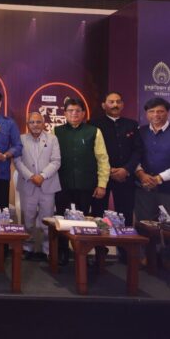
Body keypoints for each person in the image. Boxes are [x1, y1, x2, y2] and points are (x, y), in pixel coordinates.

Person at [54, 98, 110, 266]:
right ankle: (62, 252)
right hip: (62, 185)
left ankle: (82, 254)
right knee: (61, 219)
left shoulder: (94, 131)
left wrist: (102, 184)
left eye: (78, 110)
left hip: (86, 185)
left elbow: (102, 159)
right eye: (70, 110)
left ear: (83, 113)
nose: (74, 114)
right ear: (65, 113)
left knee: (84, 221)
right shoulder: (56, 131)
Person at [14, 112, 61, 260]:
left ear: (43, 123)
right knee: (28, 220)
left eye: (38, 122)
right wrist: (31, 176)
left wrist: (42, 175)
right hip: (28, 185)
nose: (35, 125)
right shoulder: (21, 139)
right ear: (27, 124)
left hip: (48, 185)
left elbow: (56, 161)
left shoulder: (52, 139)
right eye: (32, 122)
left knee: (47, 220)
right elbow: (17, 161)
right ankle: (27, 248)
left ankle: (47, 250)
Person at [90, 92, 142, 224]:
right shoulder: (93, 124)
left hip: (125, 176)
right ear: (103, 105)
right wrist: (108, 170)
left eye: (118, 102)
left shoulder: (132, 124)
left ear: (122, 105)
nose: (115, 105)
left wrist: (126, 169)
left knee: (125, 215)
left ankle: (125, 239)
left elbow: (138, 150)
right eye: (111, 102)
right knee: (98, 214)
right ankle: (100, 239)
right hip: (101, 177)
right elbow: (90, 152)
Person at [135, 97, 170, 223]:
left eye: (160, 111)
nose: (156, 115)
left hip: (167, 190)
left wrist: (159, 178)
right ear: (146, 113)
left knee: (167, 228)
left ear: (167, 112)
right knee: (144, 226)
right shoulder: (140, 132)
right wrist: (140, 174)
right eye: (151, 111)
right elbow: (134, 156)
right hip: (143, 189)